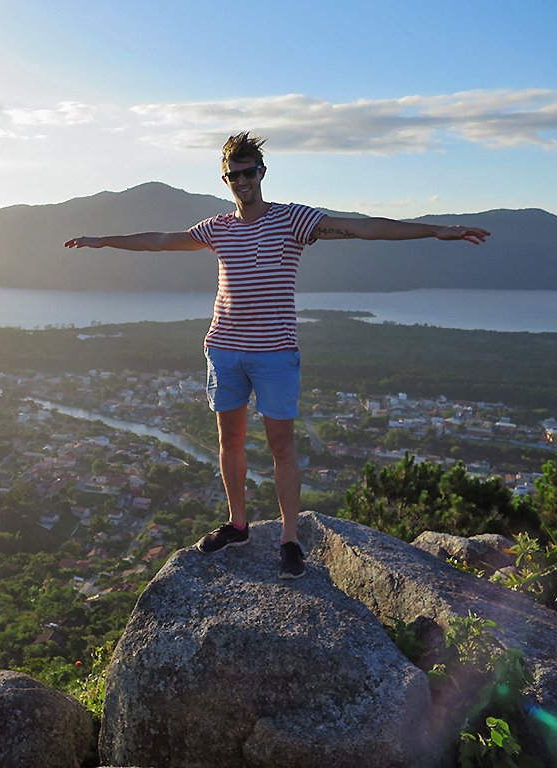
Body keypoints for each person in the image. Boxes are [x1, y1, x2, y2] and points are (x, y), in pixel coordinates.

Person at [64, 131, 490, 579]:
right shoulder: (218, 228)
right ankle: (238, 524)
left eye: (249, 172)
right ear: (225, 179)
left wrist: (434, 231)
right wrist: (103, 240)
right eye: (234, 175)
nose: (242, 181)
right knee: (229, 442)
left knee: (281, 447)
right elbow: (161, 240)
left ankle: (290, 539)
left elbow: (363, 227)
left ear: (262, 173)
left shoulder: (292, 221)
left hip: (274, 354)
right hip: (224, 349)